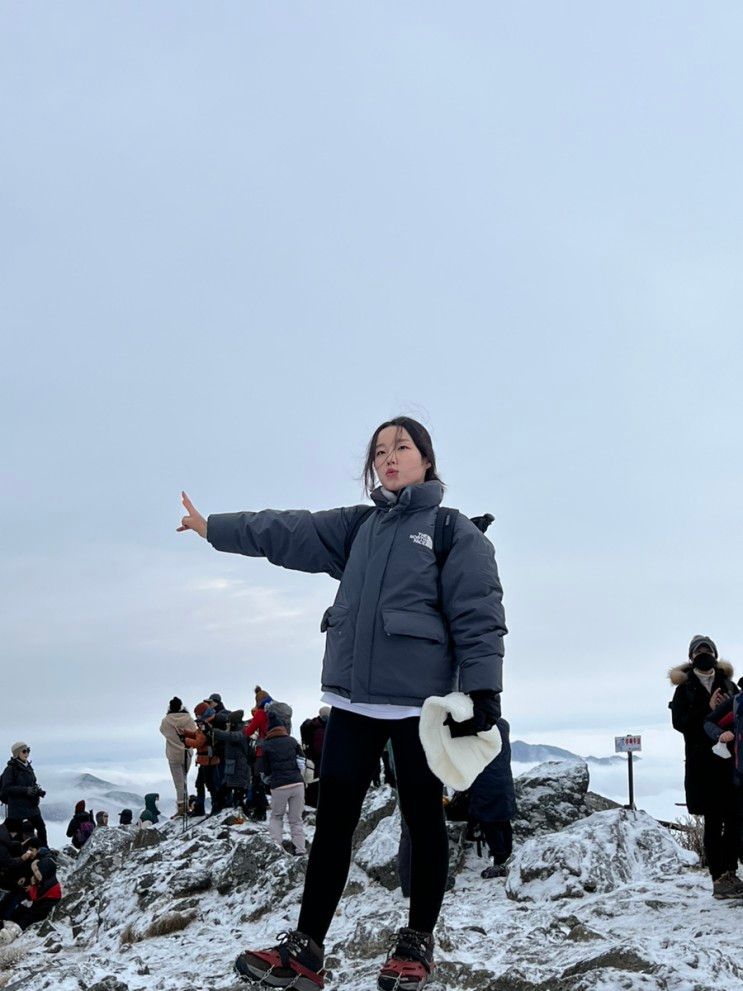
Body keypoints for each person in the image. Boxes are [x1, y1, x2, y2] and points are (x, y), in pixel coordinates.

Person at [178, 415, 506, 990]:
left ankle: (416, 944)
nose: (389, 458)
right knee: (331, 825)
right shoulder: (360, 528)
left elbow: (479, 615)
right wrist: (215, 529)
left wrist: (483, 690)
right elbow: (288, 530)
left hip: (416, 707)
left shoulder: (454, 532)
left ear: (427, 460)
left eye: (402, 447)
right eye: (379, 451)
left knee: (423, 823)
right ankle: (306, 948)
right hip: (352, 702)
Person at [670, 635, 742, 898]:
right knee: (713, 822)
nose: (704, 655)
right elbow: (680, 723)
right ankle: (719, 878)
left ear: (715, 654)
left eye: (708, 650)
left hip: (731, 764)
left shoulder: (729, 685)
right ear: (691, 658)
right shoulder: (684, 690)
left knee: (734, 819)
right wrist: (706, 708)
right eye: (699, 651)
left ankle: (731, 872)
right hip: (703, 766)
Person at [468, 717, 516, 878]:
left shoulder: (478, 725)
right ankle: (507, 857)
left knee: (488, 820)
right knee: (503, 819)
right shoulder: (503, 725)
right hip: (504, 778)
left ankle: (500, 859)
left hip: (485, 779)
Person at [262, 709, 306, 856]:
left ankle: (277, 847)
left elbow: (265, 770)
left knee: (277, 816)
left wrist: (269, 781)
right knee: (296, 820)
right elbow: (302, 762)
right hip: (297, 784)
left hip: (278, 785)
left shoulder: (266, 745)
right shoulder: (292, 741)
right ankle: (300, 849)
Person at [0, 743, 48, 847]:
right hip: (17, 808)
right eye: (24, 751)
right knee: (19, 834)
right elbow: (6, 788)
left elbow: (32, 783)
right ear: (17, 753)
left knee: (41, 828)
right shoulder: (10, 769)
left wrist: (38, 791)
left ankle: (44, 850)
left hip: (31, 805)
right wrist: (26, 790)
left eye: (28, 750)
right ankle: (22, 856)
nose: (27, 753)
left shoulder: (28, 766)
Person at [159, 696, 197, 818]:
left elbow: (163, 731)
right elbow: (194, 733)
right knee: (184, 778)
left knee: (178, 782)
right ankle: (186, 805)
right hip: (187, 752)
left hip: (173, 754)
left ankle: (181, 807)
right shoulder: (189, 719)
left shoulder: (166, 721)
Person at [212, 709, 253, 811]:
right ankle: (219, 809)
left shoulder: (243, 731)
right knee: (224, 790)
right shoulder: (238, 730)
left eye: (229, 722)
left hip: (240, 766)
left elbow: (232, 737)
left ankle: (241, 814)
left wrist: (213, 731)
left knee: (238, 793)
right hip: (232, 765)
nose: (228, 724)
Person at [183, 704, 220, 816]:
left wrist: (185, 740)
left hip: (207, 760)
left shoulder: (205, 725)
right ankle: (207, 807)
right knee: (203, 783)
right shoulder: (208, 723)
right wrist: (185, 733)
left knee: (208, 783)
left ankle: (213, 807)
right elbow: (197, 735)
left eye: (197, 714)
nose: (197, 717)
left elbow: (199, 742)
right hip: (208, 759)